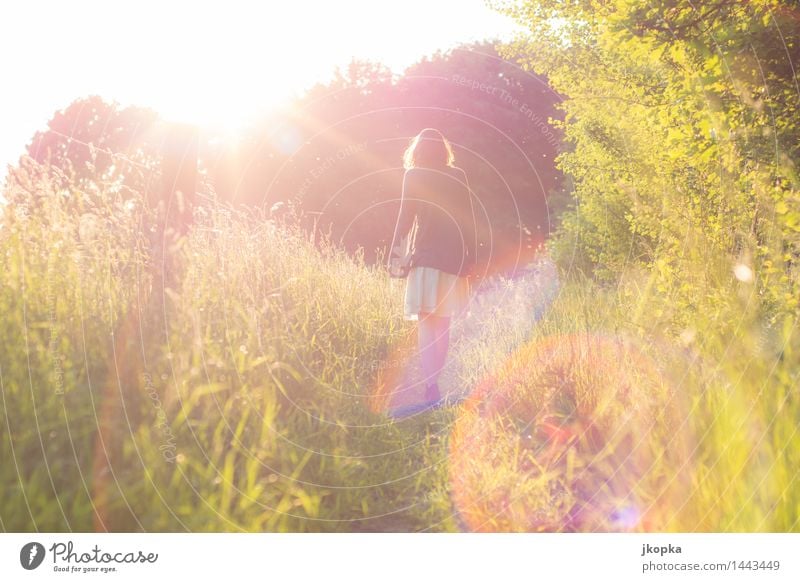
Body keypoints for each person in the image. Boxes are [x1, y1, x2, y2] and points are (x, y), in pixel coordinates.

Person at [388, 128, 478, 407]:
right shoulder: (458, 176)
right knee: (444, 324)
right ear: (443, 150)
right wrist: (471, 259)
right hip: (453, 260)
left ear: (417, 151)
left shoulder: (413, 175)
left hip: (425, 258)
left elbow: (405, 217)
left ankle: (431, 386)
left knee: (427, 323)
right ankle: (434, 383)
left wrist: (394, 255)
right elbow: (469, 221)